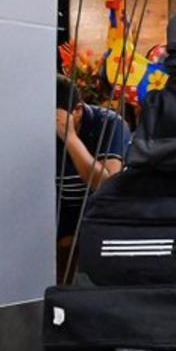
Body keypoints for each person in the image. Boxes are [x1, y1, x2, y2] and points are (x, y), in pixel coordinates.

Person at [56, 76, 131, 283]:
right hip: (58, 210)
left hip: (102, 211)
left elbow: (107, 186)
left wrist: (70, 138)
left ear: (78, 110)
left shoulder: (109, 124)